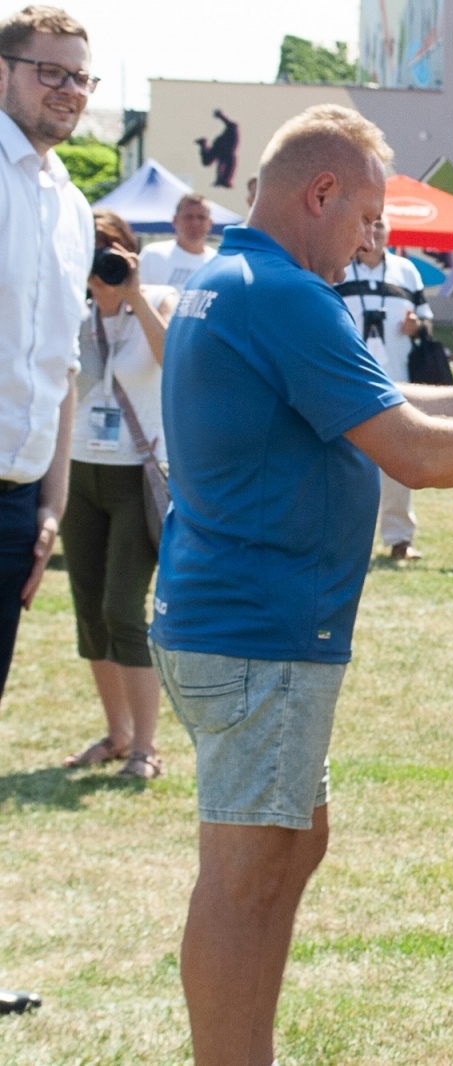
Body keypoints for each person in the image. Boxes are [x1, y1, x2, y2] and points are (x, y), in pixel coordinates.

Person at [149, 104, 453, 1066]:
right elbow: (408, 448)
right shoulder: (282, 294)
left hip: (245, 625)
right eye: (368, 216)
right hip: (257, 633)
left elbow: (396, 402)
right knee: (245, 881)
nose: (374, 240)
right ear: (320, 193)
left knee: (290, 849)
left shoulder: (241, 280)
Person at [0, 4, 97, 1014]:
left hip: (19, 500)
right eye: (47, 72)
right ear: (4, 74)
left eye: (80, 77)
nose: (65, 89)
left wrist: (49, 508)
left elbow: (62, 369)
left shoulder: (71, 203)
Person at [59, 209, 175, 780]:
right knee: (90, 613)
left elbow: (173, 358)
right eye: (92, 253)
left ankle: (146, 748)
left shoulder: (159, 299)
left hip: (136, 473)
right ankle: (117, 733)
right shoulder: (72, 311)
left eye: (111, 253)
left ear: (131, 253)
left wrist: (132, 296)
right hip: (81, 473)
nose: (101, 266)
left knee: (122, 606)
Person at [336, 213, 432, 561]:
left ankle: (399, 539)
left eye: (380, 227)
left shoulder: (406, 271)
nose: (374, 233)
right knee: (345, 461)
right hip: (348, 377)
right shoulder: (340, 266)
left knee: (398, 458)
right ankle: (344, 538)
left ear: (389, 233)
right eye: (369, 226)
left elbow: (427, 321)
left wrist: (416, 326)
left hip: (398, 378)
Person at [137, 192, 215, 287]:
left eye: (201, 217)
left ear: (210, 223)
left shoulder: (216, 261)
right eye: (188, 217)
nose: (195, 223)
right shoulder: (153, 255)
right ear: (175, 220)